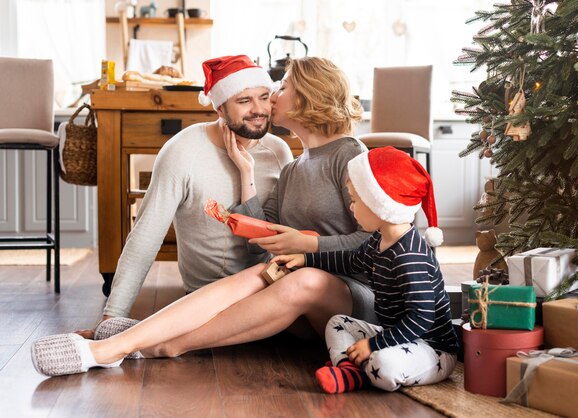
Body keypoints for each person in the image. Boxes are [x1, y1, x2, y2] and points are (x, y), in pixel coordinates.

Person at [31, 57, 375, 377]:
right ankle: (113, 346)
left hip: (357, 300)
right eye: (248, 99)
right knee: (268, 273)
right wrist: (246, 175)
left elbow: (379, 240)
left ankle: (162, 343)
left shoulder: (349, 153)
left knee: (298, 279)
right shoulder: (295, 165)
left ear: (306, 99)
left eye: (278, 90)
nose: (268, 101)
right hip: (300, 297)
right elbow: (262, 234)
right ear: (221, 107)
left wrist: (307, 245)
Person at [90, 55, 294, 329]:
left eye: (263, 97)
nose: (259, 109)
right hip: (205, 298)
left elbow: (283, 237)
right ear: (220, 109)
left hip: (268, 288)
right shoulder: (182, 151)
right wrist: (112, 317)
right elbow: (145, 237)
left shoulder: (279, 151)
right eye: (244, 101)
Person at [273, 146, 457, 394]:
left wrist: (374, 345)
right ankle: (350, 370)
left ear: (379, 203)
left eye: (355, 200)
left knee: (384, 363)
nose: (351, 207)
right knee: (337, 323)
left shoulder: (410, 256)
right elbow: (350, 261)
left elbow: (421, 318)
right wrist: (306, 259)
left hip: (430, 347)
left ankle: (359, 373)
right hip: (396, 336)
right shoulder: (379, 239)